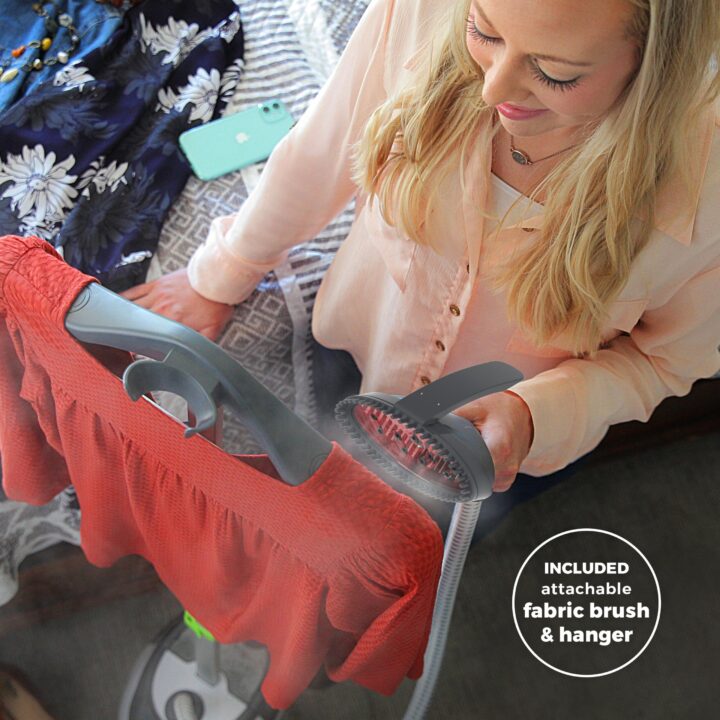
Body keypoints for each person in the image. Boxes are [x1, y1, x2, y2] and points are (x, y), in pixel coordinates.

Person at [121, 0, 720, 508]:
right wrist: (222, 274)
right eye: (483, 31)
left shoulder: (705, 177)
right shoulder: (424, 10)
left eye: (555, 73)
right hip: (354, 353)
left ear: (657, 63)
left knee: (416, 565)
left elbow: (666, 360)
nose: (493, 89)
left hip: (505, 454)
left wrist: (537, 414)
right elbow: (323, 150)